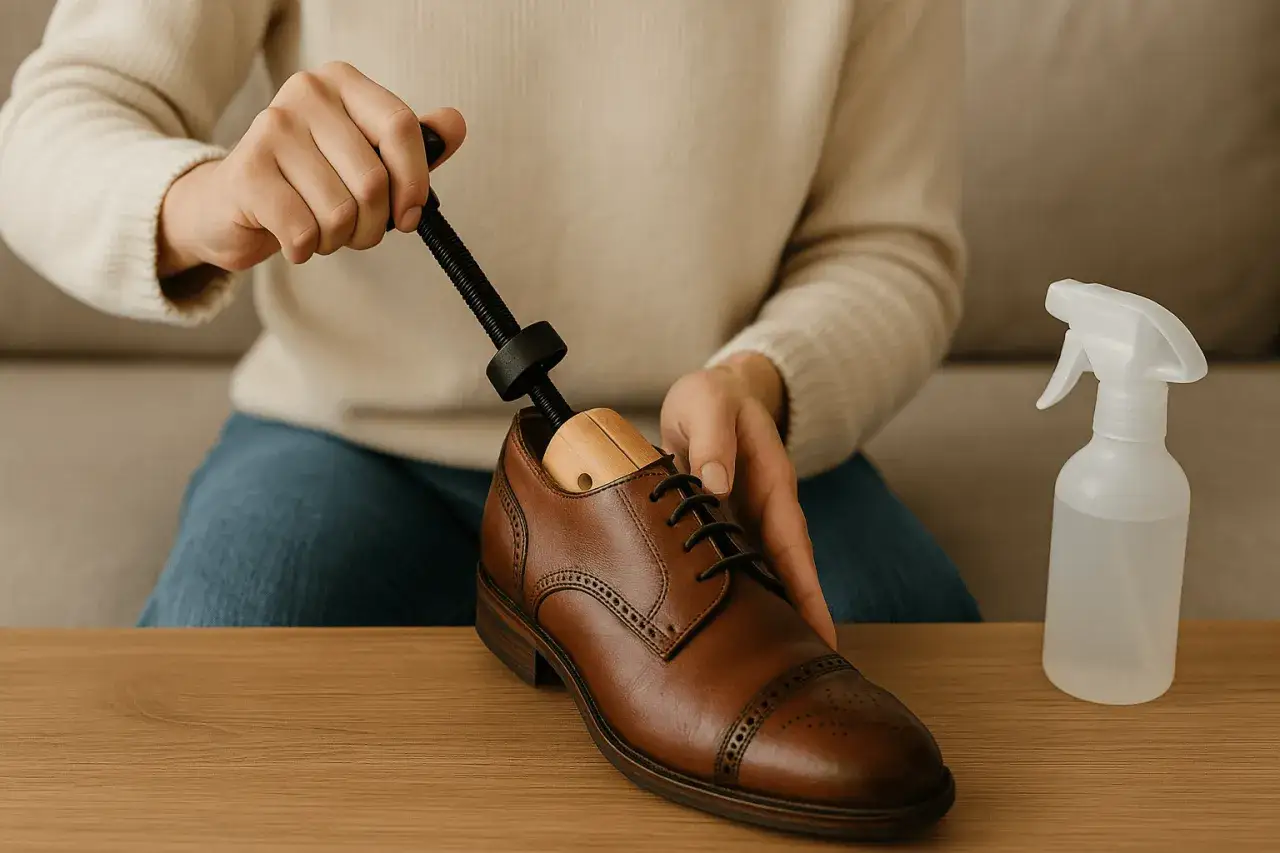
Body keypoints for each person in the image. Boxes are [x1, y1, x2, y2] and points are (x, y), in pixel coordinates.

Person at [0, 0, 979, 641]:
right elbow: (50, 127)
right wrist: (201, 200)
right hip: (352, 439)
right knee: (223, 652)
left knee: (910, 663)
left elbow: (889, 244)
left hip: (708, 467)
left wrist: (764, 377)